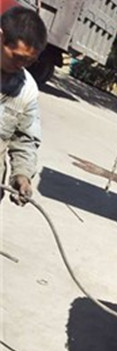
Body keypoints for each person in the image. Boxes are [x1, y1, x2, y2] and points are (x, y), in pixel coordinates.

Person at [0, 6, 47, 205]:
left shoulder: (27, 90)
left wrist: (22, 175)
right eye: (17, 57)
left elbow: (25, 140)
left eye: (29, 61)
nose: (21, 65)